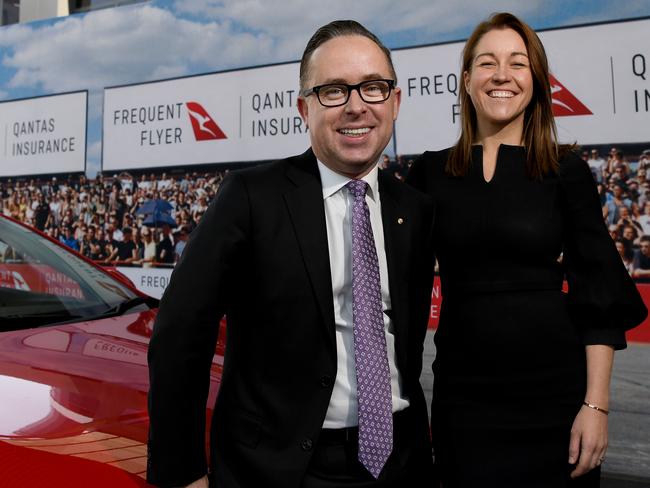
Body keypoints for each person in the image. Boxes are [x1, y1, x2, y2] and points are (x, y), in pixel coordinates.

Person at [147, 20, 435, 488]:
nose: (356, 106)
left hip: (401, 463)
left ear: (395, 102)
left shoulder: (414, 211)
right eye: (334, 91)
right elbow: (181, 334)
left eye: (373, 88)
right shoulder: (248, 197)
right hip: (278, 469)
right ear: (304, 108)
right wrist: (181, 473)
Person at [406, 12, 646, 488]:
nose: (502, 75)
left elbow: (598, 298)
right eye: (487, 62)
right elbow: (402, 294)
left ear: (535, 80)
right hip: (462, 402)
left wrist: (595, 408)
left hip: (555, 401)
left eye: (518, 63)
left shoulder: (566, 171)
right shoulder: (428, 175)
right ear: (467, 79)